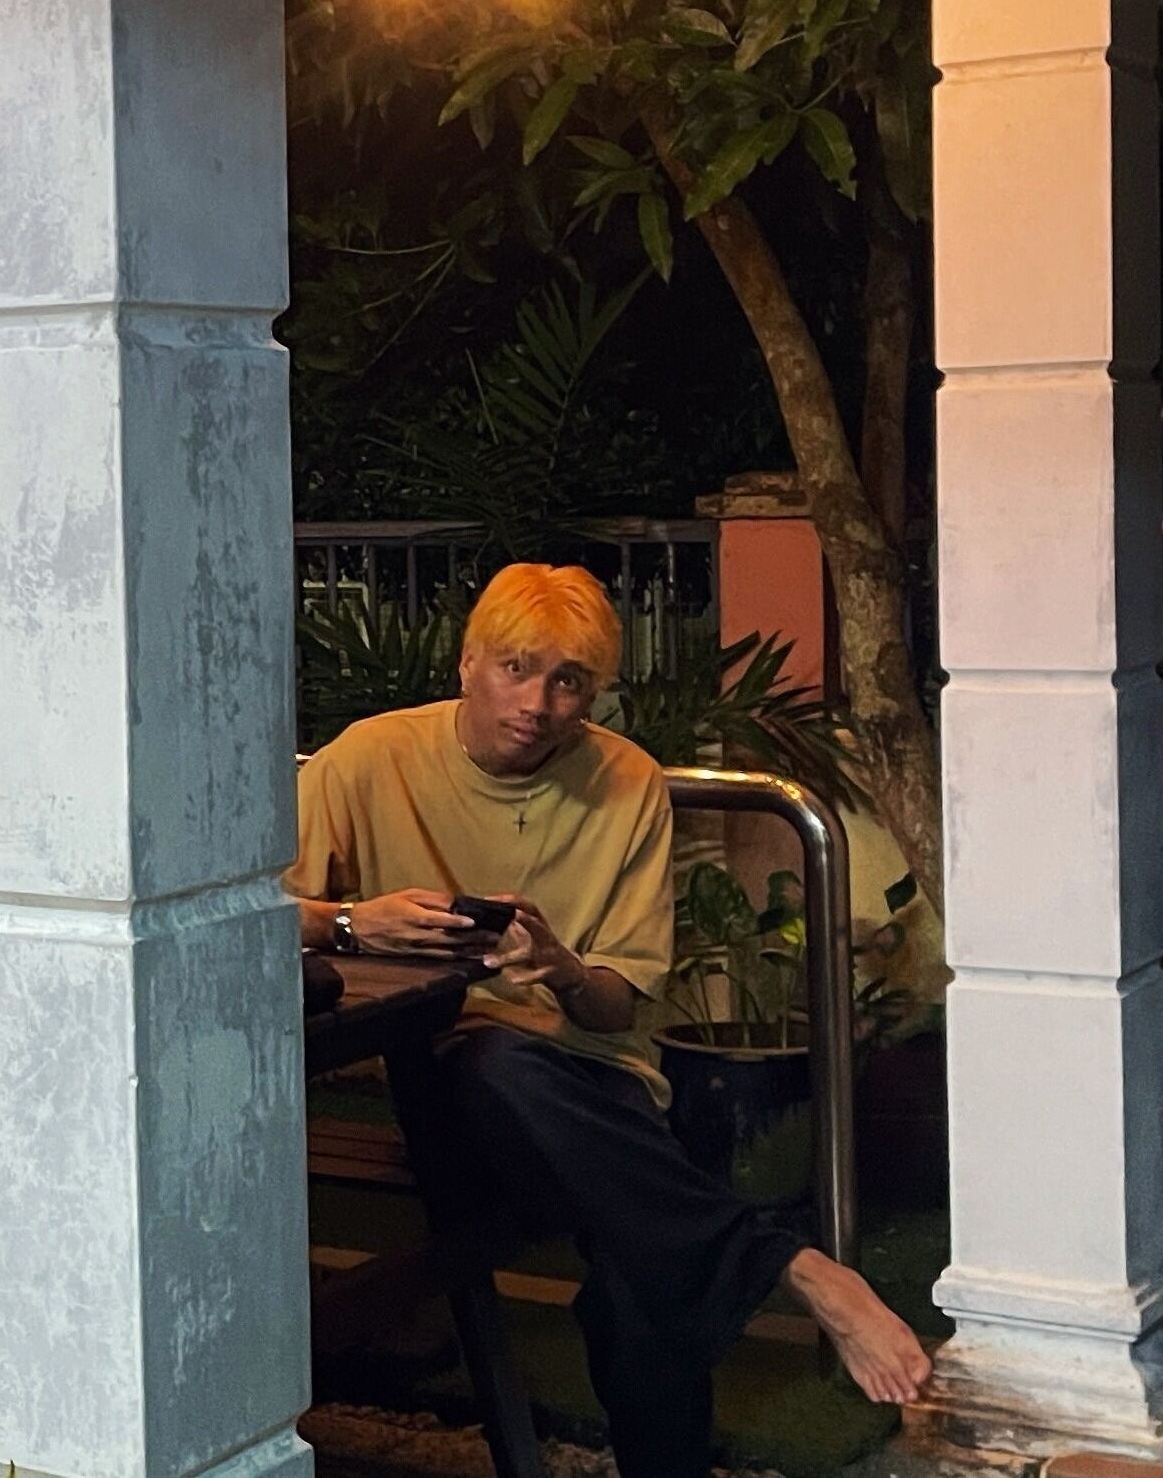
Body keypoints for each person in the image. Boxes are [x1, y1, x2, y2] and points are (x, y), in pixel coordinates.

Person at [289, 563, 928, 1476]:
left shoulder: (625, 779)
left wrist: (561, 968)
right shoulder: (369, 757)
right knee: (494, 1065)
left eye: (569, 681)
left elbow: (621, 1002)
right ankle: (792, 1265)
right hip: (449, 1089)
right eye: (516, 667)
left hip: (595, 1082)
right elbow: (257, 911)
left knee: (641, 1271)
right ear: (468, 662)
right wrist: (356, 919)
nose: (540, 701)